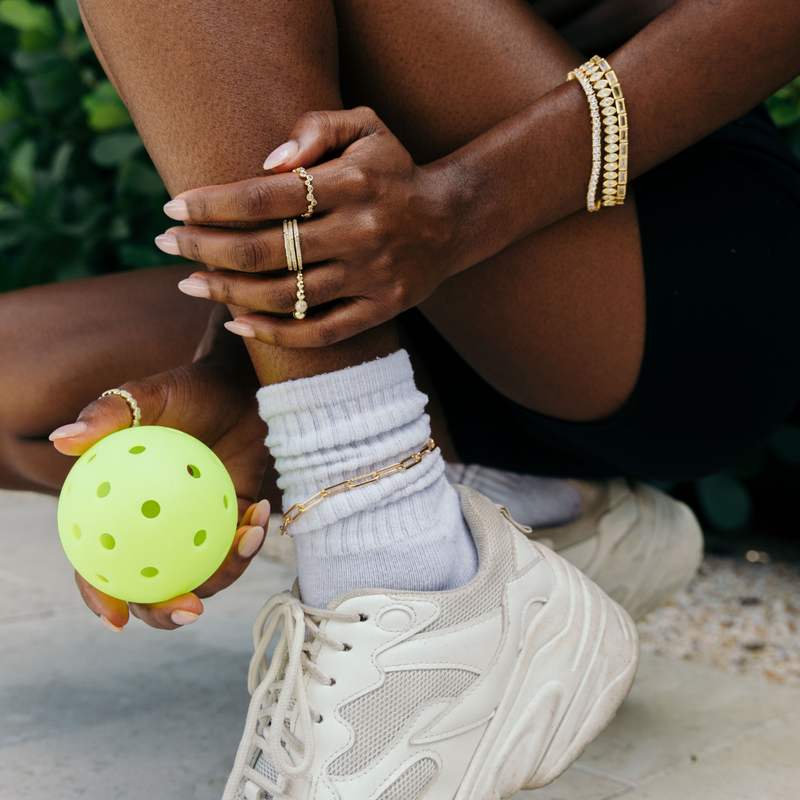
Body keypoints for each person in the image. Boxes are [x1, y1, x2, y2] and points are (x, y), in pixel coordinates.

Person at [0, 0, 798, 796]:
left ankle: (397, 563)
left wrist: (462, 206)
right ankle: (539, 517)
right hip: (414, 290)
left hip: (636, 254)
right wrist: (256, 365)